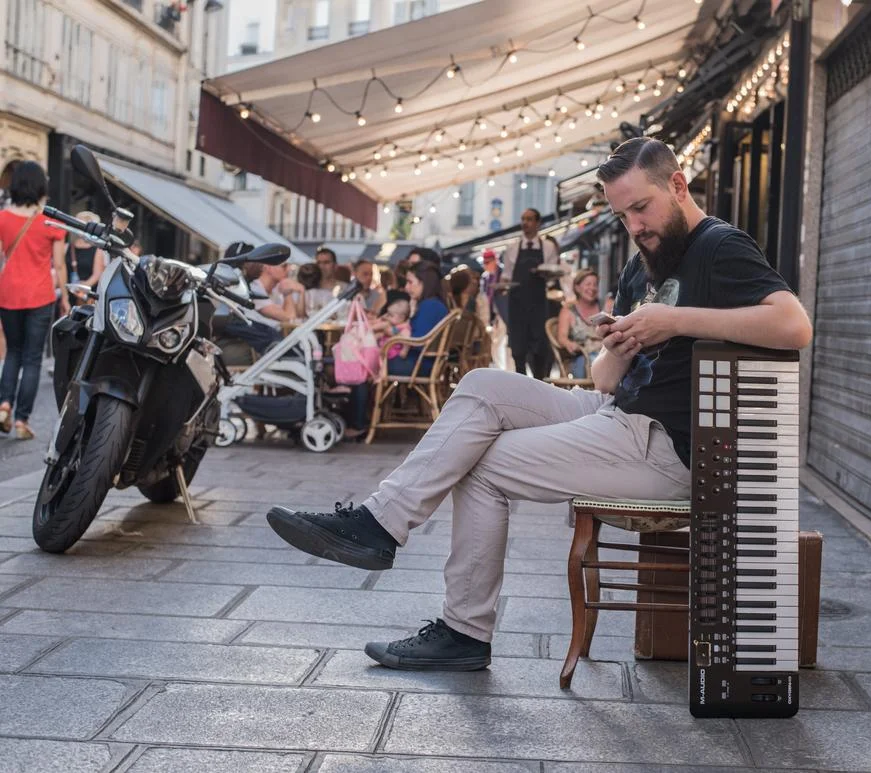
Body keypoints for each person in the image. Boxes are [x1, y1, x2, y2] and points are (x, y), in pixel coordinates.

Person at [264, 137, 812, 671]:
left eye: (641, 209)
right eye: (623, 216)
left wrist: (674, 321)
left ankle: (463, 632)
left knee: (483, 466)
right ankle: (380, 523)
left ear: (677, 184)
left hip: (666, 448)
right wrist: (618, 345)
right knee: (482, 385)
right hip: (616, 415)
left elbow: (794, 326)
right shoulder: (639, 263)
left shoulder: (720, 245)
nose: (635, 227)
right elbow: (602, 380)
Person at [0, 160, 69, 439]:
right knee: (32, 358)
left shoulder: (2, 218)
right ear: (41, 186)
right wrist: (64, 296)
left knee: (12, 353)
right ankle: (21, 420)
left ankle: (4, 404)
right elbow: (60, 265)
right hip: (39, 295)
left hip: (8, 293)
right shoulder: (51, 221)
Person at [344, 261, 450, 438]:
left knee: (362, 365)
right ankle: (361, 419)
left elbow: (417, 339)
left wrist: (388, 333)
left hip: (416, 363)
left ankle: (358, 423)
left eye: (411, 282)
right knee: (363, 361)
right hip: (420, 361)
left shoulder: (430, 306)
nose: (407, 288)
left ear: (425, 282)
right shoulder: (433, 304)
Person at [501, 208, 561, 379]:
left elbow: (552, 275)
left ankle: (538, 383)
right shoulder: (512, 249)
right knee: (518, 349)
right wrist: (502, 286)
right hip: (517, 304)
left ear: (538, 223)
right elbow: (506, 275)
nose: (525, 223)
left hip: (539, 304)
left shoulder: (548, 247)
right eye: (523, 219)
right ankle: (520, 383)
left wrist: (545, 275)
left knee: (539, 348)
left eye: (529, 219)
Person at [557, 268, 604, 379]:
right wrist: (569, 344)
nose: (592, 288)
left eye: (595, 284)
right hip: (582, 357)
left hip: (605, 354)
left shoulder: (605, 306)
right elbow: (561, 337)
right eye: (588, 284)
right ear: (577, 288)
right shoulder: (568, 311)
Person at [67, 211, 107, 304]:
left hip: (87, 295)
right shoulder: (68, 247)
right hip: (69, 294)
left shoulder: (97, 250)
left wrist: (81, 287)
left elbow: (97, 275)